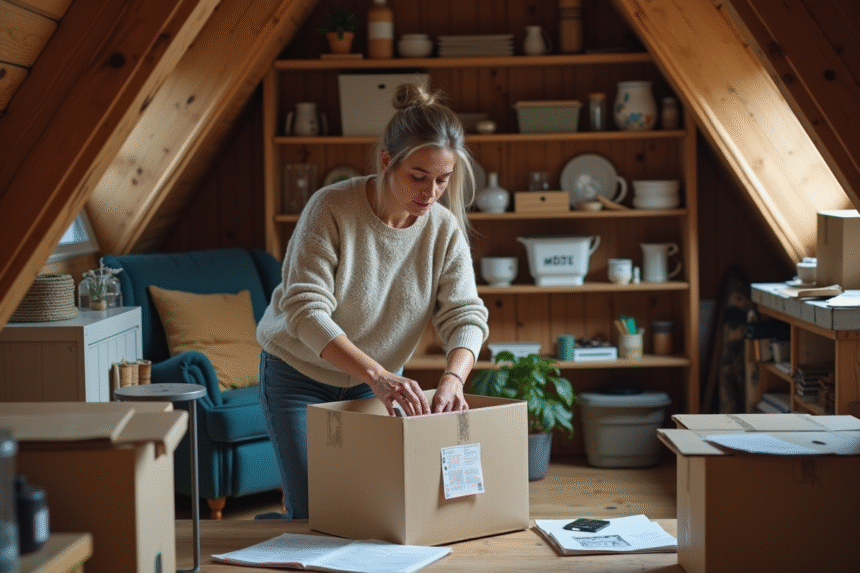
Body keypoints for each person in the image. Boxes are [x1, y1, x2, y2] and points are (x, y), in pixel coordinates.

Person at [256, 81, 490, 519]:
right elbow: (305, 310)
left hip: (376, 381)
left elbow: (466, 315)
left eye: (443, 180)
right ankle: (286, 522)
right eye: (418, 177)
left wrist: (453, 379)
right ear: (387, 161)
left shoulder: (441, 228)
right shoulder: (330, 208)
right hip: (298, 375)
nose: (431, 192)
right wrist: (379, 374)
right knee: (313, 508)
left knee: (373, 506)